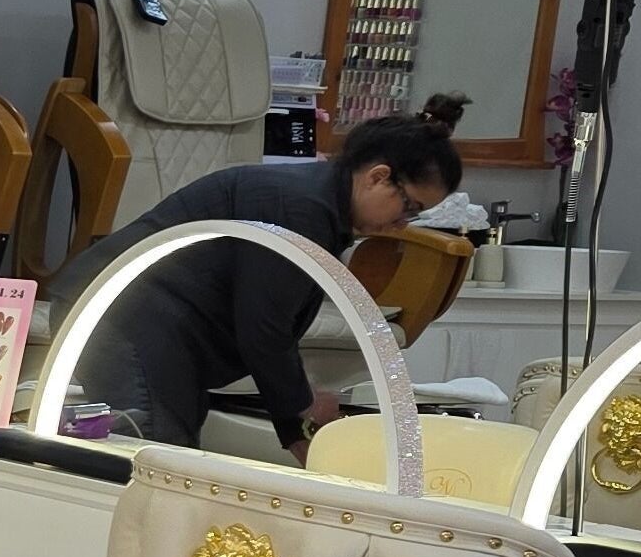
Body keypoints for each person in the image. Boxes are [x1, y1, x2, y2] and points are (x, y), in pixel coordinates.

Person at [47, 96, 465, 458]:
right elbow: (263, 327)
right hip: (122, 318)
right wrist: (298, 417)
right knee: (154, 464)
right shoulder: (303, 209)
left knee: (169, 461)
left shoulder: (319, 204)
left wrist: (296, 416)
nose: (404, 224)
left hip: (150, 324)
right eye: (409, 207)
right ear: (377, 176)